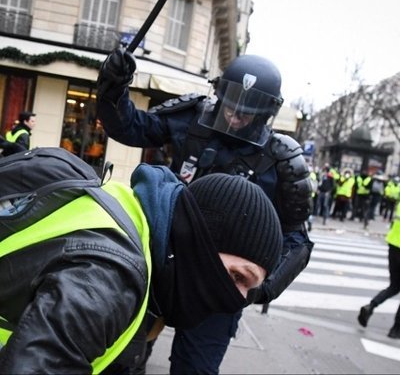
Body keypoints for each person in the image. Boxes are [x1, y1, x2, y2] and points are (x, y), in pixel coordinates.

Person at [96, 48, 314, 374]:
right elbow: (130, 127)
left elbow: (298, 241)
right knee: (119, 357)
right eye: (231, 105)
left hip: (220, 285)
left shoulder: (281, 160)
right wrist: (113, 88)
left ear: (266, 113)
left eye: (246, 112)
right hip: (163, 263)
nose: (235, 116)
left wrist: (256, 289)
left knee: (195, 370)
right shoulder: (194, 118)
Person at [0, 162, 283, 373]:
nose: (238, 299)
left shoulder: (140, 223)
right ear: (201, 239)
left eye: (250, 289)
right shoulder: (110, 280)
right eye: (237, 276)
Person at [357, 200, 400, 339]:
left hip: (394, 245)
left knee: (394, 285)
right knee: (395, 286)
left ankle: (371, 306)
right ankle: (396, 329)